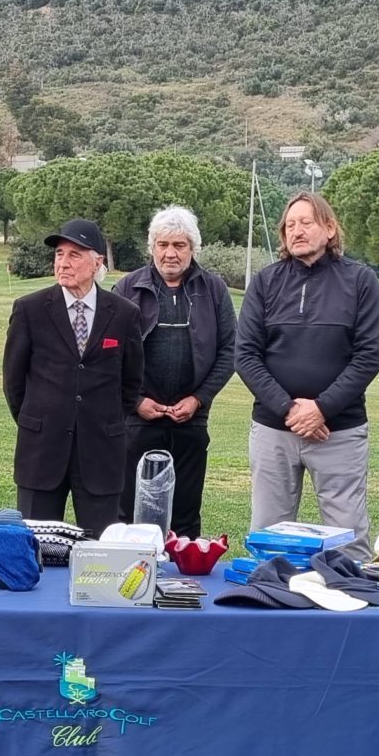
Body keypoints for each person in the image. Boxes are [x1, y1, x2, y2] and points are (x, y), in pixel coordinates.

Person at [234, 191, 379, 560]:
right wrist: (290, 410)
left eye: (306, 222)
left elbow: (369, 357)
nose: (297, 231)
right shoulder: (265, 282)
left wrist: (321, 409)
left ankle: (348, 597)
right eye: (290, 225)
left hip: (339, 431)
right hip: (273, 430)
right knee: (268, 540)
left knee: (349, 543)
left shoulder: (360, 280)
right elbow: (246, 356)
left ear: (330, 229)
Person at [3, 218, 144, 532]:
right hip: (40, 453)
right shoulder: (29, 310)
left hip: (101, 453)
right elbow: (14, 383)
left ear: (97, 263)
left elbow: (131, 383)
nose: (63, 263)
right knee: (36, 546)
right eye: (59, 254)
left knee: (100, 548)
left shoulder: (124, 314)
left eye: (74, 255)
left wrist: (103, 422)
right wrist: (39, 421)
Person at [112, 205, 235, 538]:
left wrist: (199, 399)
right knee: (130, 512)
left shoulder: (214, 290)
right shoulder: (127, 289)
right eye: (163, 244)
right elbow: (109, 355)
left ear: (192, 248)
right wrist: (135, 401)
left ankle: (182, 570)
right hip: (137, 422)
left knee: (185, 516)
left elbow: (230, 350)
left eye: (179, 245)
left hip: (190, 422)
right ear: (152, 247)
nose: (170, 253)